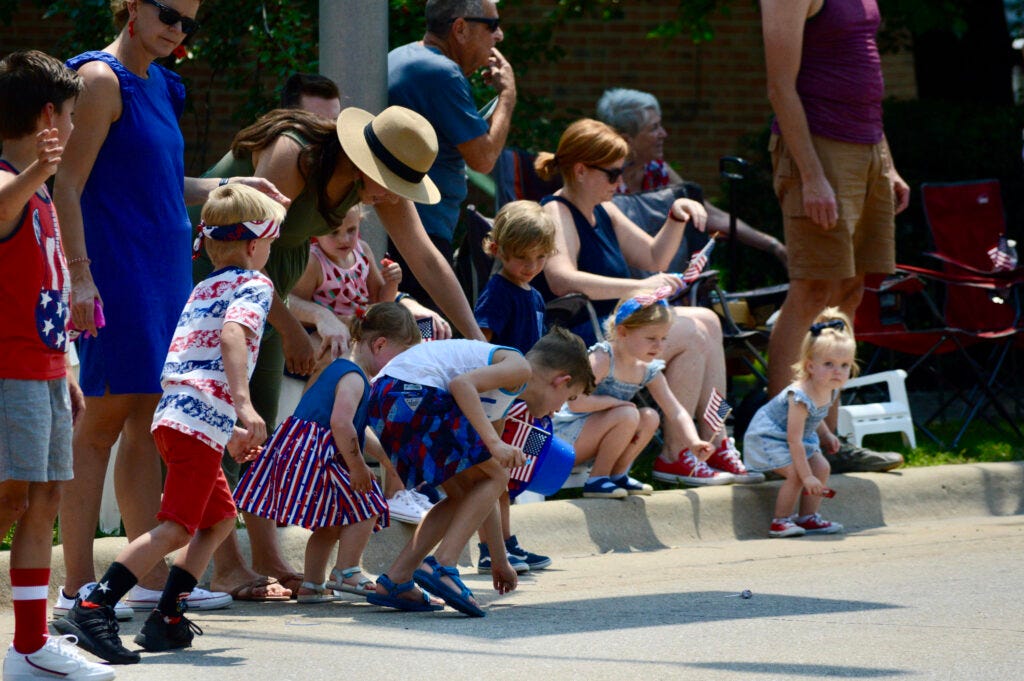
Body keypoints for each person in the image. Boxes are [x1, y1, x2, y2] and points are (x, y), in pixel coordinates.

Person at [192, 105, 484, 602]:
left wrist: (476, 339)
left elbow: (426, 258)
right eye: (388, 179)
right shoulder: (294, 156)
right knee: (221, 422)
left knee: (259, 429)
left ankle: (263, 558)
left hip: (267, 287)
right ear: (362, 155)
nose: (392, 194)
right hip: (216, 277)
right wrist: (293, 326)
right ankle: (225, 566)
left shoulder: (379, 181)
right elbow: (244, 247)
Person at [52, 0, 286, 619]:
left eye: (189, 21)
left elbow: (159, 182)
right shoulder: (99, 79)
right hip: (114, 269)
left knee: (145, 419)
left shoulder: (163, 83)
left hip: (164, 269)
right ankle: (77, 581)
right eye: (167, 13)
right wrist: (80, 278)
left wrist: (232, 191)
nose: (178, 29)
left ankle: (146, 574)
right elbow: (66, 185)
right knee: (101, 421)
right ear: (130, 3)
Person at [55, 184, 284, 663]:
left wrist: (231, 430)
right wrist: (244, 406)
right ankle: (93, 606)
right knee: (177, 528)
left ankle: (169, 618)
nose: (271, 250)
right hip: (198, 422)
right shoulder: (255, 285)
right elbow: (232, 336)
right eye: (271, 240)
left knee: (218, 519)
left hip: (176, 415)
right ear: (251, 245)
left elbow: (194, 361)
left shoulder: (202, 287)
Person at [536, 118, 762, 486]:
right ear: (580, 170)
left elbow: (654, 257)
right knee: (690, 332)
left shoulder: (604, 209)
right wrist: (635, 288)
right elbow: (561, 279)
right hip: (588, 337)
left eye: (622, 171)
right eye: (612, 174)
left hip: (620, 327)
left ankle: (716, 440)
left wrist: (676, 216)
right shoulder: (557, 212)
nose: (620, 182)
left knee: (708, 319)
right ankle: (677, 455)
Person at [0, 49, 115, 681]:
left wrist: (67, 369)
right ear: (48, 115)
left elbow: (44, 293)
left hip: (42, 372)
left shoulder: (39, 193)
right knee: (7, 500)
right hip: (7, 373)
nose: (73, 127)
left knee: (41, 499)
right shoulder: (9, 182)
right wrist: (36, 171)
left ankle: (30, 646)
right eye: (70, 115)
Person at [760, 0, 908, 473]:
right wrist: (811, 176)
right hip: (820, 149)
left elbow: (862, 74)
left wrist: (886, 162)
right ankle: (782, 440)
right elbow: (780, 85)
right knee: (814, 290)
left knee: (849, 289)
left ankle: (830, 440)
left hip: (867, 149)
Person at [366, 327, 595, 617]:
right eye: (569, 398)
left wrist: (500, 560)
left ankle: (396, 579)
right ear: (561, 380)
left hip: (389, 398)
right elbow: (462, 384)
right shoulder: (518, 368)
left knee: (466, 491)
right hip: (413, 391)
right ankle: (442, 565)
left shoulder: (501, 399)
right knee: (494, 474)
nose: (559, 410)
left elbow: (487, 493)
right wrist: (494, 443)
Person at [234, 304, 420, 603]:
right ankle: (347, 570)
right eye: (400, 356)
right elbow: (341, 424)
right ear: (380, 344)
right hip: (319, 452)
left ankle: (312, 584)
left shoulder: (339, 368)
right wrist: (359, 467)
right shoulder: (354, 376)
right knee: (369, 501)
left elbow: (355, 429)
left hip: (306, 451)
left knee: (330, 522)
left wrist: (386, 458)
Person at [388, 0, 516, 308]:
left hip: (400, 229)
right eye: (492, 25)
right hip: (421, 237)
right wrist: (508, 96)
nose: (498, 36)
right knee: (428, 337)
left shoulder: (405, 57)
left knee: (402, 334)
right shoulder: (442, 74)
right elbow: (483, 158)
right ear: (460, 28)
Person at [596, 87, 788, 267]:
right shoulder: (602, 179)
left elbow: (708, 214)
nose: (664, 133)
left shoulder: (657, 170)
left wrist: (773, 245)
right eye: (654, 128)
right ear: (627, 140)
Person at [553, 290, 719, 498]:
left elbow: (675, 411)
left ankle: (617, 474)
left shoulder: (647, 369)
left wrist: (693, 441)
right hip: (565, 440)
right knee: (628, 414)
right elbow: (576, 402)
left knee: (650, 416)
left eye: (663, 338)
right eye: (651, 338)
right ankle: (597, 479)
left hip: (596, 435)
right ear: (622, 332)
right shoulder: (603, 358)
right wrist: (614, 403)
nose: (659, 346)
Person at [472, 200, 557, 572]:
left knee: (513, 474)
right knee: (494, 472)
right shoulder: (498, 292)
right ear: (497, 250)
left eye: (540, 257)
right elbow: (482, 345)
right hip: (496, 400)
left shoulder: (535, 295)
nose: (532, 266)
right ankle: (490, 547)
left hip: (521, 404)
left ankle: (507, 542)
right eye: (523, 257)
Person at [743, 308, 854, 537]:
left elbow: (816, 416)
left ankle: (808, 517)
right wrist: (806, 476)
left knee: (822, 467)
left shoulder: (828, 389)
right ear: (810, 366)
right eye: (829, 364)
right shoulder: (799, 396)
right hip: (771, 437)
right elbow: (793, 440)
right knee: (796, 474)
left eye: (844, 365)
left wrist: (825, 435)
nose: (838, 371)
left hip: (799, 437)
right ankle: (780, 521)